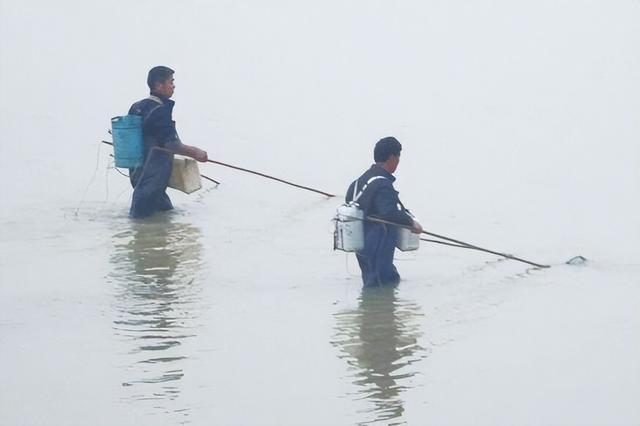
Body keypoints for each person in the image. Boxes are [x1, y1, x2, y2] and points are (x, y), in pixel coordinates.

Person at [127, 66, 209, 219]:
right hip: (151, 181)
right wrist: (198, 153)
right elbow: (173, 145)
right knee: (142, 223)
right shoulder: (159, 110)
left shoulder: (137, 107)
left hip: (137, 174)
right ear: (159, 85)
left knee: (166, 216)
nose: (174, 85)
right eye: (171, 82)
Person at [346, 137, 423, 287]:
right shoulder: (382, 184)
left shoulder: (357, 183)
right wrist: (412, 223)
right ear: (392, 158)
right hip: (377, 246)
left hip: (361, 246)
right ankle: (381, 310)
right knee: (383, 284)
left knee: (376, 281)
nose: (399, 162)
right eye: (398, 157)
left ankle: (375, 309)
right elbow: (389, 213)